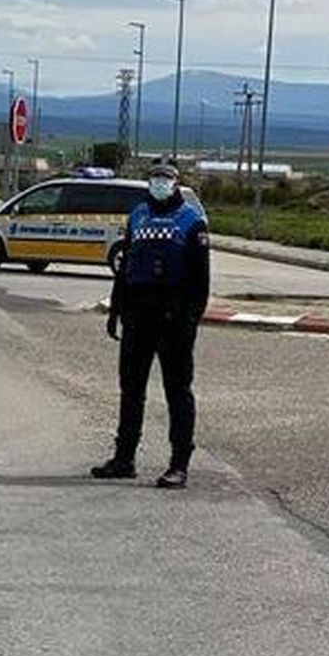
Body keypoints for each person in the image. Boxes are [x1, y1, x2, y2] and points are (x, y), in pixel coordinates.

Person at [91, 163, 210, 489]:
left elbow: (200, 282)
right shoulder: (138, 216)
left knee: (177, 392)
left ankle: (179, 464)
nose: (160, 183)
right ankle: (124, 458)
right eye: (156, 178)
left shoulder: (192, 222)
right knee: (131, 390)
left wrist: (190, 321)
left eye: (166, 179)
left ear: (175, 184)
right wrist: (116, 312)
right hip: (138, 317)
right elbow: (125, 269)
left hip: (173, 320)